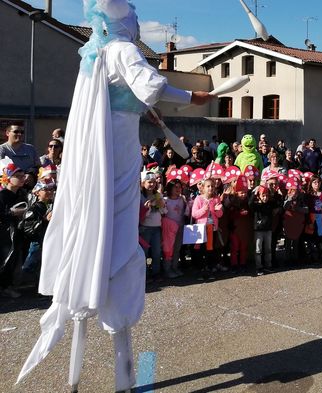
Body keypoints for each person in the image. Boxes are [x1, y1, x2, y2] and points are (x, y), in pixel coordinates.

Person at [18, 1, 214, 390]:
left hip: (99, 153)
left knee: (97, 226)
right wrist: (192, 97)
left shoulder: (95, 54)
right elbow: (150, 85)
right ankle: (120, 364)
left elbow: (131, 92)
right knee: (119, 232)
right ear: (122, 20)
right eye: (134, 16)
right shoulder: (123, 50)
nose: (139, 21)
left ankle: (77, 371)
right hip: (118, 153)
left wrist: (148, 104)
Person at [0, 161, 28, 298]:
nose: (23, 178)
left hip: (17, 231)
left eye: (23, 176)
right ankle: (5, 286)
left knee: (14, 257)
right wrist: (12, 213)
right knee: (6, 257)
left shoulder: (22, 193)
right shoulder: (3, 195)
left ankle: (8, 284)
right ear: (9, 178)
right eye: (18, 176)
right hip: (5, 232)